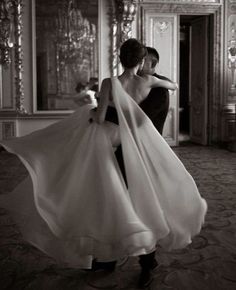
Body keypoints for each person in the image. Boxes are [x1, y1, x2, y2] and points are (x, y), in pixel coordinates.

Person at [0, 38, 207, 289]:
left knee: (110, 201)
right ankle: (141, 260)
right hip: (138, 151)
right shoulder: (148, 82)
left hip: (112, 150)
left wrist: (99, 107)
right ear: (141, 61)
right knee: (141, 202)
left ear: (120, 58)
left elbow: (98, 119)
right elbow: (171, 86)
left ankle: (120, 259)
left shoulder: (110, 82)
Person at [139, 46, 171, 135]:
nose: (139, 64)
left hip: (149, 139)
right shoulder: (138, 81)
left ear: (153, 64)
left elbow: (144, 118)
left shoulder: (159, 89)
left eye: (143, 61)